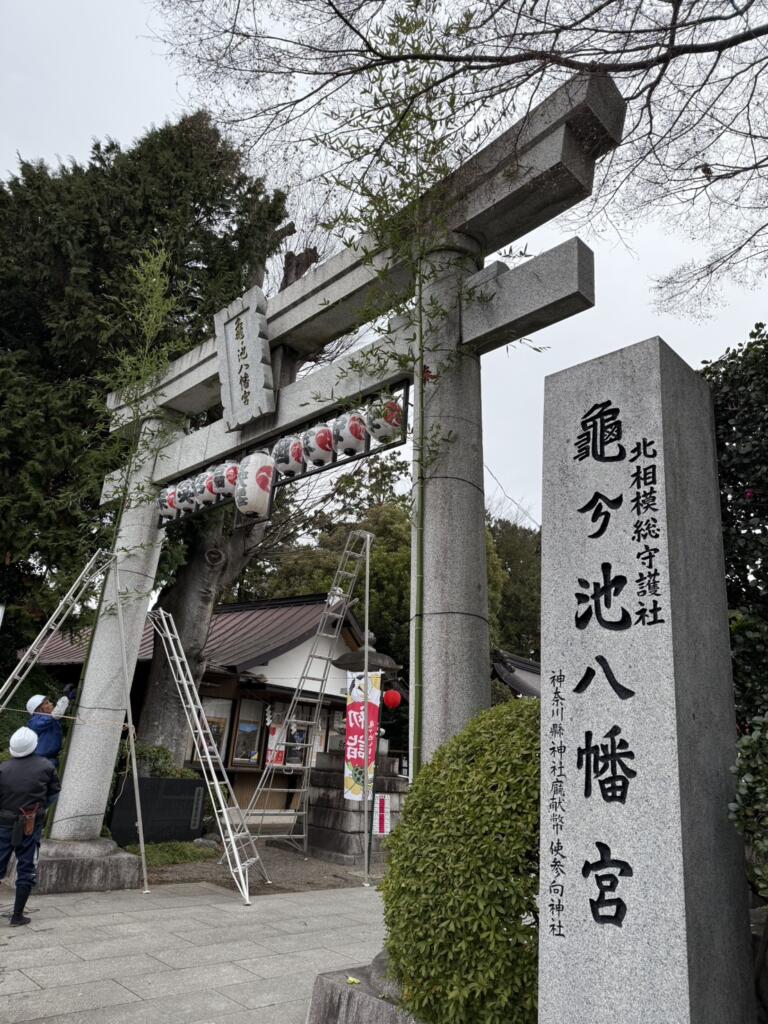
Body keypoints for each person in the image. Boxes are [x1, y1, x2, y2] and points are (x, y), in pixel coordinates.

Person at [0, 727, 60, 927]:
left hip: (4, 823)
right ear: (34, 745)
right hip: (31, 823)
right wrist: (39, 809)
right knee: (26, 867)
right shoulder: (46, 766)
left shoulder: (3, 768)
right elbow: (53, 792)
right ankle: (17, 916)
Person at [26, 688, 74, 767]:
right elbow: (55, 715)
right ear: (38, 710)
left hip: (51, 758)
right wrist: (66, 698)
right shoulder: (34, 721)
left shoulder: (51, 719)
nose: (51, 704)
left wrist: (69, 698)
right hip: (40, 761)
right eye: (47, 703)